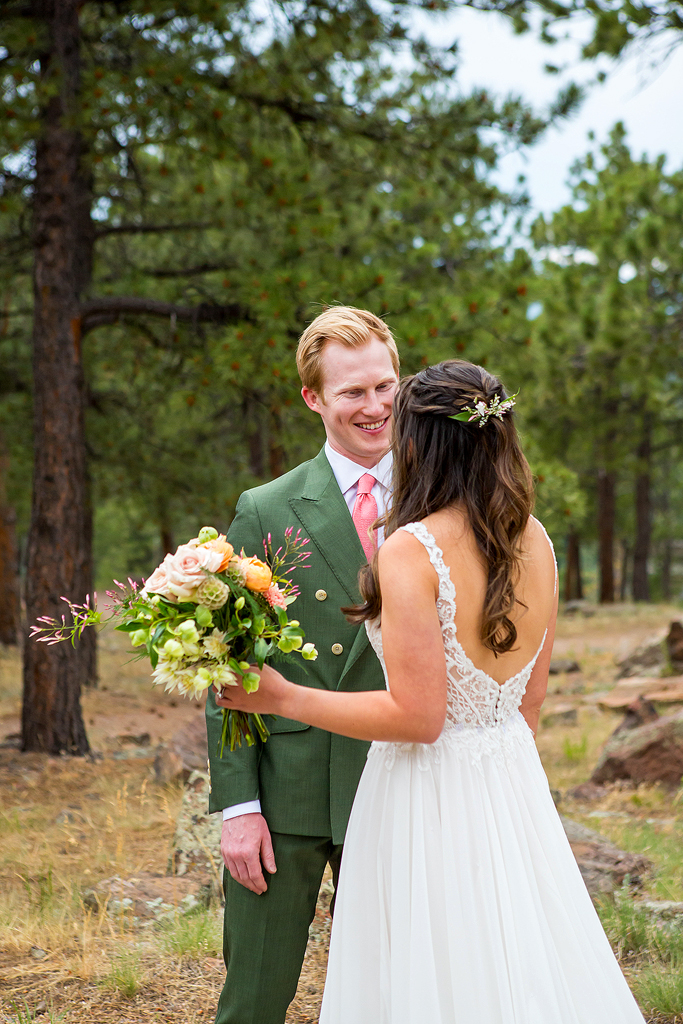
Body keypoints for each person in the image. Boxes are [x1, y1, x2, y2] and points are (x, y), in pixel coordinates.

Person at [216, 359, 646, 1023]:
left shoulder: (411, 548)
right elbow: (527, 706)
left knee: (421, 967)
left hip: (422, 787)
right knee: (508, 960)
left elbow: (417, 717)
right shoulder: (535, 539)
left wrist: (281, 697)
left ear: (418, 442)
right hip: (507, 782)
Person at [205, 305, 400, 1024]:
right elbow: (221, 665)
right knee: (253, 1000)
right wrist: (238, 807)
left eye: (385, 386)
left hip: (402, 782)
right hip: (285, 796)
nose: (374, 407)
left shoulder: (444, 499)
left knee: (394, 998)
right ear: (313, 398)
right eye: (352, 392)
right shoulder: (266, 508)